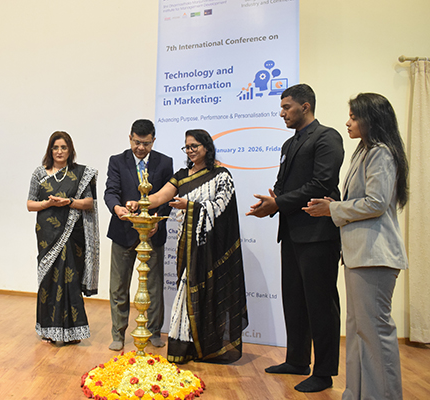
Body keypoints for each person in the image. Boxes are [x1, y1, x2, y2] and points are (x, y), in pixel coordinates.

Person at [303, 93, 408, 400]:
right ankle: (356, 393)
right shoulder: (363, 152)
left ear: (371, 119)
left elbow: (376, 203)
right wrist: (335, 206)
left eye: (353, 117)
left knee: (375, 333)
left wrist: (333, 209)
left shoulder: (381, 153)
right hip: (358, 254)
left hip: (375, 255)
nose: (348, 122)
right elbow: (363, 202)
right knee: (359, 332)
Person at [246, 84, 344, 392]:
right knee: (295, 301)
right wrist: (270, 204)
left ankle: (324, 372)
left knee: (321, 304)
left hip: (318, 234)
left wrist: (279, 203)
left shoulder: (327, 137)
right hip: (291, 232)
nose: (282, 113)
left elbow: (322, 183)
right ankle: (297, 360)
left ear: (305, 106)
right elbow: (282, 186)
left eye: (286, 107)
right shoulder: (290, 143)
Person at [129, 129, 248, 364]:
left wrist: (191, 206)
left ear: (207, 147)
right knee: (186, 290)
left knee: (210, 293)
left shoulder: (221, 175)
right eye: (187, 147)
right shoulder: (182, 176)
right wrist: (139, 203)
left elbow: (222, 208)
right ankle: (185, 345)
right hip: (188, 245)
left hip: (211, 248)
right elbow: (160, 196)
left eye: (195, 146)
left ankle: (208, 346)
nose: (190, 151)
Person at [104, 119, 174, 351]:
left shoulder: (165, 162)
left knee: (153, 286)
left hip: (153, 234)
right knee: (118, 286)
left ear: (153, 140)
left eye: (146, 143)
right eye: (136, 142)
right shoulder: (117, 161)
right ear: (130, 138)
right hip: (123, 232)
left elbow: (168, 198)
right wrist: (117, 208)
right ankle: (118, 334)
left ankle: (154, 332)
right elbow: (110, 192)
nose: (140, 148)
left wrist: (156, 221)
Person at [27, 131, 99, 344]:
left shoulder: (81, 174)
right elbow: (30, 204)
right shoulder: (39, 173)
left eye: (63, 148)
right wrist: (48, 203)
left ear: (70, 150)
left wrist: (69, 202)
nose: (59, 151)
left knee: (70, 280)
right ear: (50, 150)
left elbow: (89, 203)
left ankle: (72, 332)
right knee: (48, 280)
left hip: (72, 234)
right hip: (47, 234)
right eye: (56, 147)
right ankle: (49, 329)